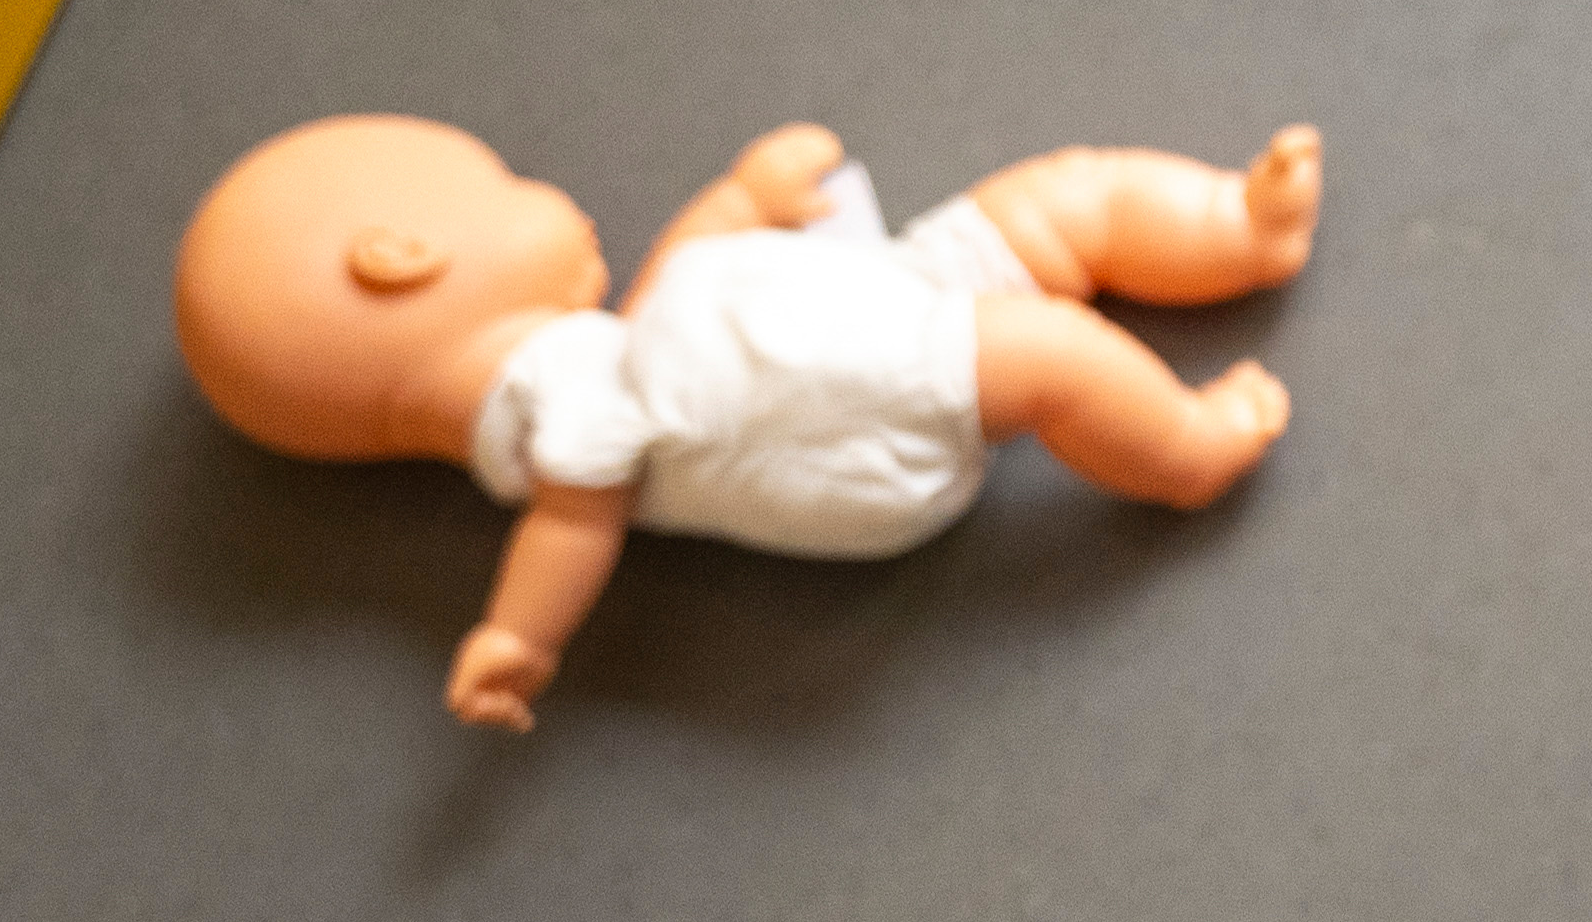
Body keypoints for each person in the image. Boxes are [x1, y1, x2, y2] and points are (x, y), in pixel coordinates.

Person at [175, 114, 1319, 732]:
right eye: (505, 184)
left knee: (1063, 198)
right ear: (401, 261)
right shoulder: (544, 415)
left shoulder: (591, 362)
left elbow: (661, 309)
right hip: (845, 420)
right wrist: (520, 635)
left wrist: (738, 202)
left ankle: (1236, 224)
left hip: (866, 306)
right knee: (1055, 356)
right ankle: (1184, 452)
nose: (551, 197)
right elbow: (580, 512)